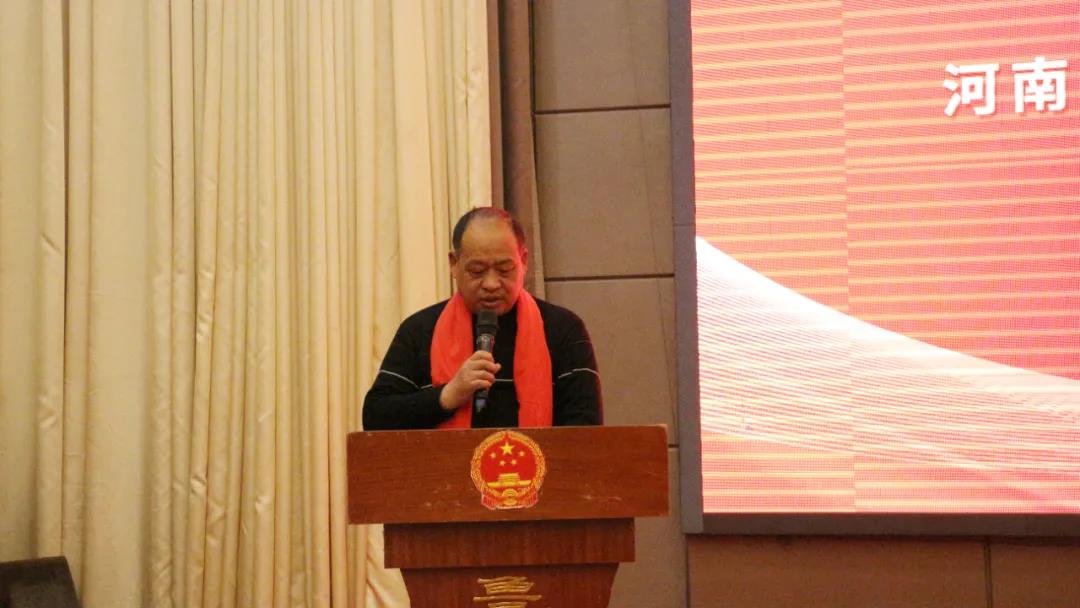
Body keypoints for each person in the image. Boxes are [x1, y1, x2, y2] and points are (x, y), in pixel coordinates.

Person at [362, 207, 602, 429]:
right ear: (454, 264)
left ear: (524, 261)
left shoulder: (563, 329)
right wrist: (447, 395)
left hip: (536, 463)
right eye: (477, 271)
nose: (491, 283)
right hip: (447, 464)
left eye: (504, 269)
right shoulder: (419, 330)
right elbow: (375, 417)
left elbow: (586, 429)